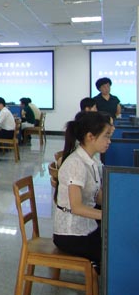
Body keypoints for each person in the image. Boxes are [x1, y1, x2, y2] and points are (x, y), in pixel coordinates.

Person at [53, 111, 111, 273]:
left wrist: (116, 206)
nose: (109, 141)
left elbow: (96, 196)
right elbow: (76, 207)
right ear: (90, 137)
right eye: (106, 136)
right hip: (71, 234)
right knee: (114, 250)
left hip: (87, 226)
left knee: (117, 239)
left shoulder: (92, 160)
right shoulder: (76, 164)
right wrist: (109, 215)